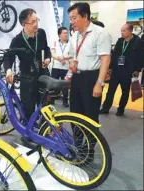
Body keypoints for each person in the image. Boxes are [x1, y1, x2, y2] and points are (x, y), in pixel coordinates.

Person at [67, 2, 112, 161]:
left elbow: (105, 59)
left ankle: (89, 150)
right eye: (70, 18)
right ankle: (79, 147)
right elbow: (75, 54)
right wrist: (73, 63)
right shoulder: (75, 35)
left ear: (85, 16)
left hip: (92, 79)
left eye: (74, 18)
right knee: (75, 114)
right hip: (77, 78)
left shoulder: (100, 34)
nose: (71, 21)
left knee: (90, 116)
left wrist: (99, 83)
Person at [4, 8, 51, 121]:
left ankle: (44, 132)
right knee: (28, 108)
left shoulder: (41, 33)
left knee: (45, 107)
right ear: (24, 24)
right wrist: (8, 70)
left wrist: (48, 57)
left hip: (43, 75)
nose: (36, 24)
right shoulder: (17, 40)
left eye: (37, 20)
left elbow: (46, 48)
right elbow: (8, 56)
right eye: (33, 22)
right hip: (27, 78)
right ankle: (27, 134)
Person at [100, 24, 143, 116]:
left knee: (125, 91)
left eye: (124, 31)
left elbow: (140, 57)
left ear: (130, 31)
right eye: (121, 30)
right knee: (111, 90)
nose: (122, 33)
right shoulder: (120, 41)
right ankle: (105, 108)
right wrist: (110, 67)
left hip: (128, 70)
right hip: (116, 70)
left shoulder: (137, 42)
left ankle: (121, 109)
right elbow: (115, 55)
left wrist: (137, 69)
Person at [50, 26, 72, 107]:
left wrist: (64, 58)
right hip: (56, 66)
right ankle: (51, 99)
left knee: (65, 85)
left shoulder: (70, 44)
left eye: (67, 33)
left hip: (65, 67)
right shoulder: (55, 42)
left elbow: (71, 55)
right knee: (53, 84)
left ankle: (65, 101)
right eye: (64, 33)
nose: (66, 35)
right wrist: (60, 59)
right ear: (59, 34)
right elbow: (53, 53)